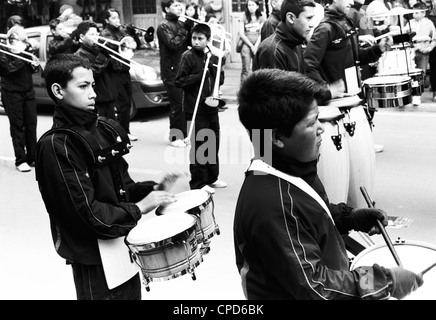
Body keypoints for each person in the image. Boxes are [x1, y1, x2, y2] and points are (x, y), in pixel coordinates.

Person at [234, 68, 424, 300]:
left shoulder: (284, 165)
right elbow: (315, 286)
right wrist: (386, 281)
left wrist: (348, 217)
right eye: (312, 122)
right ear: (276, 138)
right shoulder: (271, 203)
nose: (321, 128)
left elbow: (309, 215)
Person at [35, 54, 178, 300]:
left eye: (92, 85)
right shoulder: (57, 146)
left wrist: (152, 190)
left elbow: (122, 188)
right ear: (58, 91)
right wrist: (140, 208)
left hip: (122, 248)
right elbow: (88, 215)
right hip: (94, 260)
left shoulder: (103, 129)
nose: (94, 94)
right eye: (83, 86)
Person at [253, 0, 344, 102]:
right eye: (308, 18)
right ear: (291, 18)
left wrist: (324, 89)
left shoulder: (296, 43)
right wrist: (324, 93)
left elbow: (301, 81)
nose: (312, 25)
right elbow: (279, 98)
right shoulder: (271, 50)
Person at [175, 23, 227, 194]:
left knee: (212, 142)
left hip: (210, 105)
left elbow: (218, 80)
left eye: (200, 38)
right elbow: (180, 81)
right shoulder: (187, 56)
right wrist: (199, 75)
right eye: (194, 38)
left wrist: (217, 67)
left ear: (208, 40)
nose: (196, 41)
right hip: (194, 108)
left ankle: (212, 177)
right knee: (199, 145)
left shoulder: (211, 56)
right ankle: (198, 182)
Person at [0, 24, 40, 172]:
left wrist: (34, 63)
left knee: (31, 125)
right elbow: (7, 70)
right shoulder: (3, 50)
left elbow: (30, 69)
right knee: (17, 127)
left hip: (28, 91)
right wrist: (23, 55)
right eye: (20, 36)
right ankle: (20, 160)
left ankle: (33, 157)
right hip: (11, 92)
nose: (24, 39)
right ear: (11, 36)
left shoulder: (25, 50)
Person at [100, 8, 138, 142]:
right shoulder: (105, 33)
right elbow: (112, 47)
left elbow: (131, 46)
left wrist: (132, 34)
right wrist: (122, 41)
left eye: (118, 17)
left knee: (126, 103)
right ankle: (117, 133)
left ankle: (126, 131)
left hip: (124, 70)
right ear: (107, 20)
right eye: (114, 18)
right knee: (119, 104)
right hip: (114, 72)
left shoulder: (121, 31)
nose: (117, 21)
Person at [157, 0, 191, 148]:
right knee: (177, 104)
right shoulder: (163, 26)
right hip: (171, 71)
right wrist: (184, 30)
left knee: (183, 103)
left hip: (183, 68)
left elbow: (188, 43)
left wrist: (191, 28)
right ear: (167, 8)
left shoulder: (181, 24)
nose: (180, 8)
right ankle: (174, 136)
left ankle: (183, 134)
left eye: (180, 5)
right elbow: (173, 44)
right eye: (176, 5)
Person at [74, 21, 118, 120]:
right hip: (96, 104)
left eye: (97, 34)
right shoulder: (79, 55)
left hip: (109, 102)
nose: (96, 37)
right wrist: (102, 56)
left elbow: (115, 69)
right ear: (81, 37)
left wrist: (110, 54)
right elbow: (91, 74)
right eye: (92, 34)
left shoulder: (98, 51)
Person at [408, 2, 436, 105]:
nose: (414, 15)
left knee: (421, 73)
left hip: (424, 51)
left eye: (416, 12)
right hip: (412, 50)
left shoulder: (429, 23)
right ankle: (411, 93)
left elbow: (434, 39)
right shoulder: (410, 23)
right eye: (413, 12)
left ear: (423, 13)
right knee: (410, 72)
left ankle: (417, 95)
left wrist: (429, 48)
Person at [238, 0, 266, 84]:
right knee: (245, 70)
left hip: (258, 44)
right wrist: (251, 46)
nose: (251, 7)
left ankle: (255, 91)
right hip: (246, 44)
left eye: (253, 5)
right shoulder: (243, 16)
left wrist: (256, 46)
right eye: (249, 5)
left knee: (257, 69)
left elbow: (262, 32)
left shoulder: (262, 16)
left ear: (257, 6)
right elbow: (241, 33)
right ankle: (243, 91)